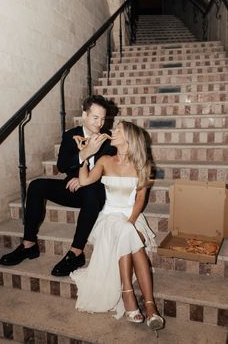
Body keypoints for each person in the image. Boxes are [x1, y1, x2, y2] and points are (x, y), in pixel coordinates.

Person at [0, 95, 117, 276]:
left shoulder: (108, 139)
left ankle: (76, 252)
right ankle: (29, 244)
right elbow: (62, 165)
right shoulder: (70, 135)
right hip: (74, 189)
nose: (100, 123)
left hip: (95, 191)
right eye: (95, 117)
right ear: (84, 114)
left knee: (92, 191)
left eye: (103, 118)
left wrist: (85, 178)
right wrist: (84, 154)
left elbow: (111, 171)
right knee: (37, 186)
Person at [70, 120, 164, 333]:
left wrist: (129, 223)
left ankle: (129, 295)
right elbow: (84, 181)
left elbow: (140, 201)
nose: (113, 132)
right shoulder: (104, 160)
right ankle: (151, 307)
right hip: (109, 217)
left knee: (125, 233)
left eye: (118, 130)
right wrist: (85, 155)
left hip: (131, 216)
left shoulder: (144, 166)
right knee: (126, 234)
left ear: (129, 139)